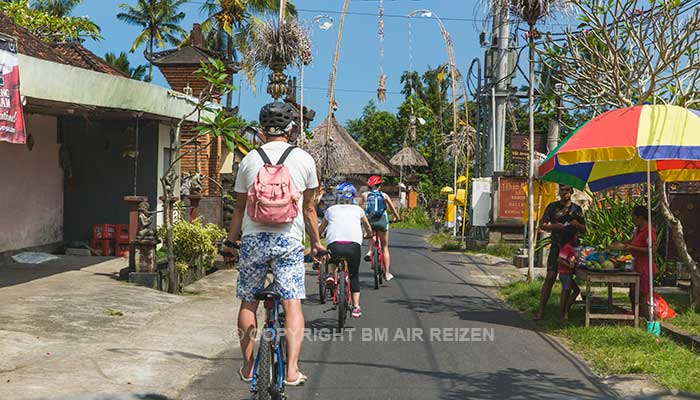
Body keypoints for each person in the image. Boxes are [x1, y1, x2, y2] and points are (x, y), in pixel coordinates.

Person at [222, 102, 324, 387]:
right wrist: (315, 244)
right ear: (291, 129)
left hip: (254, 239)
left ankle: (247, 365)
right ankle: (291, 370)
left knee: (249, 301)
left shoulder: (249, 160)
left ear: (262, 129)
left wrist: (231, 242)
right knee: (292, 303)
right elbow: (310, 210)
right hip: (289, 241)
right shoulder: (304, 159)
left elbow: (239, 208)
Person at [319, 182, 373, 318]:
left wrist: (318, 237)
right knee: (354, 275)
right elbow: (367, 227)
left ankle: (331, 274)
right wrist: (369, 235)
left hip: (335, 244)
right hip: (353, 246)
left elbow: (321, 229)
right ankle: (356, 307)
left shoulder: (330, 210)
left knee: (332, 259)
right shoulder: (358, 210)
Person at [535, 184, 586, 320]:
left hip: (571, 248)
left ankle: (564, 311)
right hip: (556, 246)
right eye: (562, 190)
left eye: (567, 190)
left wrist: (577, 224)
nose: (564, 193)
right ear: (559, 192)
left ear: (572, 192)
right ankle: (541, 310)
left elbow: (584, 229)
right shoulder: (553, 207)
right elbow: (542, 225)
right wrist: (554, 226)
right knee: (550, 277)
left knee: (569, 280)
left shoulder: (576, 209)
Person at [612, 205, 658, 319]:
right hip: (636, 266)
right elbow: (632, 242)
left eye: (633, 216)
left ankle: (647, 320)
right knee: (632, 294)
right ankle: (636, 317)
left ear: (640, 217)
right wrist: (620, 244)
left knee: (641, 297)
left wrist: (631, 248)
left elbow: (652, 249)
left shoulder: (649, 231)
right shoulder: (638, 230)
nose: (632, 219)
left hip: (645, 268)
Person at [361, 175, 400, 281]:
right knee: (385, 247)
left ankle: (369, 251)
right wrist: (397, 218)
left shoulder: (365, 195)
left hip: (370, 221)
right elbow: (393, 210)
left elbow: (362, 209)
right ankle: (387, 273)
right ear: (379, 186)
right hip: (382, 221)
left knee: (371, 235)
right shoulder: (384, 195)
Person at [557, 225, 581, 321]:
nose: (577, 237)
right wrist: (569, 265)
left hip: (567, 274)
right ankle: (563, 312)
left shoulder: (569, 247)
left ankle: (565, 310)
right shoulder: (567, 247)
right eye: (576, 235)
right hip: (565, 273)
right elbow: (560, 259)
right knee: (566, 292)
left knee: (574, 291)